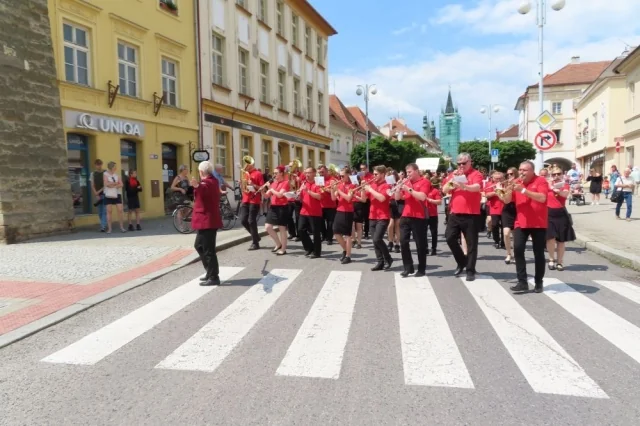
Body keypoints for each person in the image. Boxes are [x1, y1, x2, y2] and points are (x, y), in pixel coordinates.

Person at [503, 161, 549, 293]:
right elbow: (506, 200)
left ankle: (538, 282)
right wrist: (506, 190)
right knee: (517, 249)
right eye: (520, 169)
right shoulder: (516, 182)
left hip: (539, 222)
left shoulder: (541, 181)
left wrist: (523, 190)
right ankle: (522, 281)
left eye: (525, 170)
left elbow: (542, 198)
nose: (521, 172)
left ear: (532, 171)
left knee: (538, 253)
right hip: (521, 222)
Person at [443, 153, 484, 282]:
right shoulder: (453, 175)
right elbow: (444, 190)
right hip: (455, 212)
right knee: (449, 238)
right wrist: (452, 180)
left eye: (464, 163)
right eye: (459, 163)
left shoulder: (476, 174)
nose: (461, 166)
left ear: (470, 162)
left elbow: (477, 187)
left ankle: (470, 270)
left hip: (471, 213)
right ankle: (462, 261)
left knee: (471, 243)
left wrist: (463, 186)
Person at [191, 161, 223, 286]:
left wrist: (197, 186)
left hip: (207, 221)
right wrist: (197, 186)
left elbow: (204, 189)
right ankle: (210, 272)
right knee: (199, 246)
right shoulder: (213, 181)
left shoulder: (208, 182)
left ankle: (214, 276)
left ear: (201, 172)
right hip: (206, 220)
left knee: (208, 250)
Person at [395, 163, 430, 277]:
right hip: (406, 215)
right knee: (403, 242)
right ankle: (408, 267)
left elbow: (422, 196)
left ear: (416, 171)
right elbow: (397, 198)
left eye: (410, 172)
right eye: (407, 172)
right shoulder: (406, 182)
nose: (408, 174)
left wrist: (408, 189)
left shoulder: (424, 182)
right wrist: (398, 188)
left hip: (419, 217)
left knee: (420, 244)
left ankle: (421, 269)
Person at [545, 165, 575, 271]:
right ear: (551, 175)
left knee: (561, 240)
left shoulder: (565, 185)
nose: (556, 176)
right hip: (548, 213)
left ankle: (560, 261)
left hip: (561, 213)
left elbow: (564, 195)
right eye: (554, 174)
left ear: (562, 175)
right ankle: (551, 259)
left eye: (559, 174)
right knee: (550, 238)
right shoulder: (546, 184)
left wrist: (554, 188)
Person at [365, 165, 393, 271]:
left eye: (376, 174)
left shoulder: (386, 186)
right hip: (372, 215)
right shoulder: (372, 184)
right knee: (374, 241)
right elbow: (364, 199)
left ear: (382, 174)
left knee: (377, 238)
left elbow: (382, 198)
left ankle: (388, 258)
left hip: (383, 216)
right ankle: (380, 262)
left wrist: (370, 190)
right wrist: (364, 189)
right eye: (374, 174)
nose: (374, 176)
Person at [331, 167, 356, 264]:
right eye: (339, 176)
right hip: (339, 210)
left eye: (342, 176)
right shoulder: (340, 185)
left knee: (347, 235)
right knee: (336, 232)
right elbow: (333, 198)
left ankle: (348, 256)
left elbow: (348, 198)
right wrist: (333, 189)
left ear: (348, 175)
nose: (340, 178)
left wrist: (339, 190)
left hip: (348, 211)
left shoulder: (352, 185)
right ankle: (346, 250)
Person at [264, 165, 290, 255]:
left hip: (282, 207)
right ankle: (278, 244)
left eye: (276, 173)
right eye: (274, 173)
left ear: (281, 174)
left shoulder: (286, 183)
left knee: (282, 228)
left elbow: (279, 195)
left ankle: (283, 249)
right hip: (273, 207)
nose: (274, 175)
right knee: (268, 227)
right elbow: (266, 196)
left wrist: (270, 188)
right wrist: (261, 190)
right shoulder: (273, 183)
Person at [298, 167, 323, 258]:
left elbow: (319, 197)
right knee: (301, 230)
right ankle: (309, 247)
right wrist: (297, 195)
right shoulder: (304, 183)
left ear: (314, 173)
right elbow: (302, 197)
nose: (307, 175)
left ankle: (317, 252)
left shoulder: (319, 183)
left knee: (316, 233)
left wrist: (308, 190)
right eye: (306, 173)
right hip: (304, 210)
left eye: (309, 173)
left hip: (315, 212)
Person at [239, 161, 264, 250]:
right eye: (245, 164)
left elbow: (262, 188)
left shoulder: (258, 174)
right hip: (245, 199)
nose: (246, 166)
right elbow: (243, 188)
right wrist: (241, 183)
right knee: (243, 221)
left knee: (251, 221)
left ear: (252, 164)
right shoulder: (245, 174)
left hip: (254, 200)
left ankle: (255, 243)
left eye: (248, 164)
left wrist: (253, 184)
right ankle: (256, 236)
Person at [425, 177, 443, 256]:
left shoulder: (435, 191)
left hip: (433, 214)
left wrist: (430, 200)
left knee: (433, 232)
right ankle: (425, 248)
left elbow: (439, 202)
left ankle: (433, 248)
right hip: (424, 214)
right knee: (423, 232)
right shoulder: (423, 191)